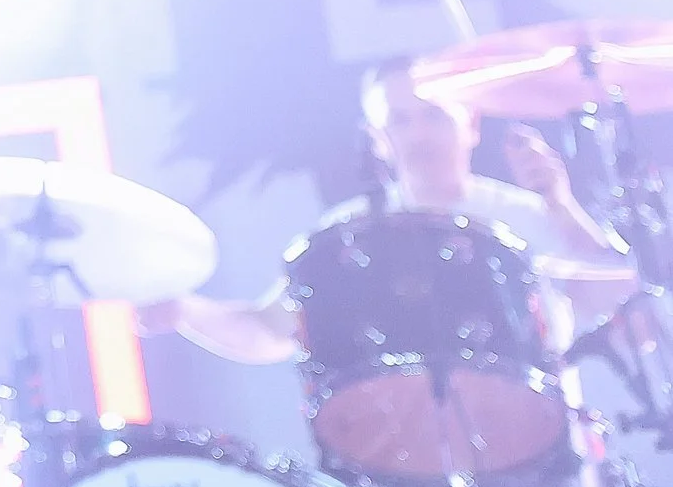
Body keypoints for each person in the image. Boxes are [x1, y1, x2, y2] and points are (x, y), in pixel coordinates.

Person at [139, 59, 629, 367]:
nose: (418, 134)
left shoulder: (524, 214)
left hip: (538, 451)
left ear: (471, 123)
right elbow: (269, 332)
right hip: (399, 461)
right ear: (377, 139)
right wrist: (186, 310)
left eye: (434, 115)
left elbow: (623, 290)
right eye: (400, 121)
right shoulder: (348, 234)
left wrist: (560, 203)